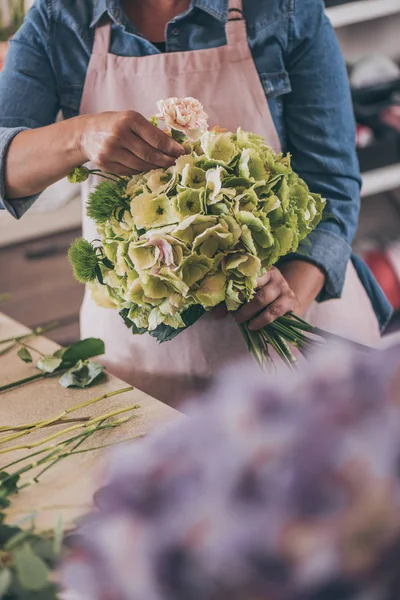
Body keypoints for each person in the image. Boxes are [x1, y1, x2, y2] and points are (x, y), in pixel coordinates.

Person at [0, 0, 392, 406]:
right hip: (146, 360)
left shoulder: (285, 9)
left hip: (294, 337)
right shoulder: (60, 17)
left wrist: (288, 294)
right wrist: (78, 139)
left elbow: (330, 181)